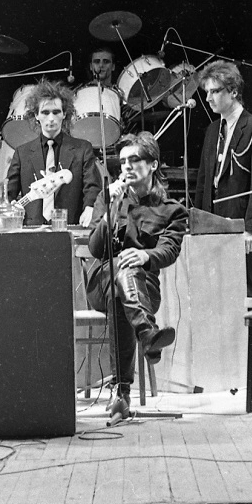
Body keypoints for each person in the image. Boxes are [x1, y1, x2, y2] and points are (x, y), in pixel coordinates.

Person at [86, 132, 187, 416]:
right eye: (122, 162)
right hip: (102, 282)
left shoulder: (172, 211)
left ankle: (121, 393)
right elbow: (96, 249)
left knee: (122, 292)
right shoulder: (107, 198)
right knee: (121, 269)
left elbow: (169, 251)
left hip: (144, 291)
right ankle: (147, 333)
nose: (127, 166)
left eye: (134, 159)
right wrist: (112, 208)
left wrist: (145, 256)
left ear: (153, 164)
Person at [193, 61, 252, 298]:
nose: (208, 98)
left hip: (241, 228)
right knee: (216, 295)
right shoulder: (212, 131)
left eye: (214, 91)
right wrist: (198, 223)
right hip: (212, 228)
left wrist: (251, 229)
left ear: (233, 91)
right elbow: (203, 183)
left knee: (248, 294)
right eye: (206, 92)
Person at [6, 79, 102, 227]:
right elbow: (8, 193)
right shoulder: (22, 152)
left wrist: (89, 207)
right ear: (36, 115)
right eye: (45, 112)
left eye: (56, 112)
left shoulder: (82, 149)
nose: (51, 118)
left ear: (64, 114)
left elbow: (92, 187)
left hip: (69, 227)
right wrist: (10, 206)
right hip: (32, 230)